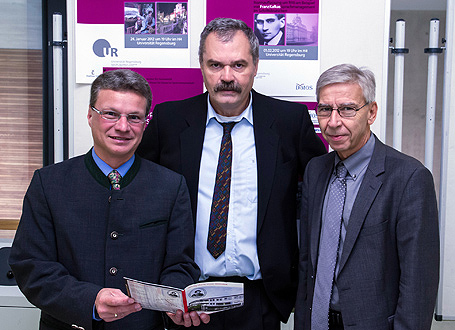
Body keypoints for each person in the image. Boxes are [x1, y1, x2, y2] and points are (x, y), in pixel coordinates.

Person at [137, 17, 326, 330]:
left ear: (255, 66)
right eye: (215, 65)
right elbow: (141, 201)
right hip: (186, 297)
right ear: (201, 65)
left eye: (238, 65)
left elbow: (323, 191)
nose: (226, 77)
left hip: (259, 298)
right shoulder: (169, 120)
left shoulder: (289, 122)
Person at [9, 69, 203, 330]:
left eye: (134, 117)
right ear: (90, 115)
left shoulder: (171, 186)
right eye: (110, 114)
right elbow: (31, 266)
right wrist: (90, 300)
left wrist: (174, 302)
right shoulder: (49, 183)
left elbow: (180, 264)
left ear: (146, 122)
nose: (122, 127)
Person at [294, 63, 440, 330]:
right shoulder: (316, 170)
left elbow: (418, 282)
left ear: (371, 112)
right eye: (325, 110)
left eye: (347, 109)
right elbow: (308, 264)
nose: (334, 121)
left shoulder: (409, 178)